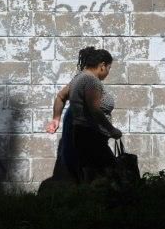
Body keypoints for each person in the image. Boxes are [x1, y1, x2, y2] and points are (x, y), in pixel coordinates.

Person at [45, 47, 121, 184]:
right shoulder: (91, 81)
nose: (108, 72)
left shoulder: (78, 79)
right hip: (92, 135)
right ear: (102, 66)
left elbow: (60, 97)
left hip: (82, 134)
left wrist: (56, 119)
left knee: (90, 175)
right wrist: (111, 130)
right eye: (109, 68)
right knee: (108, 173)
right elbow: (95, 110)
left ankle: (88, 201)